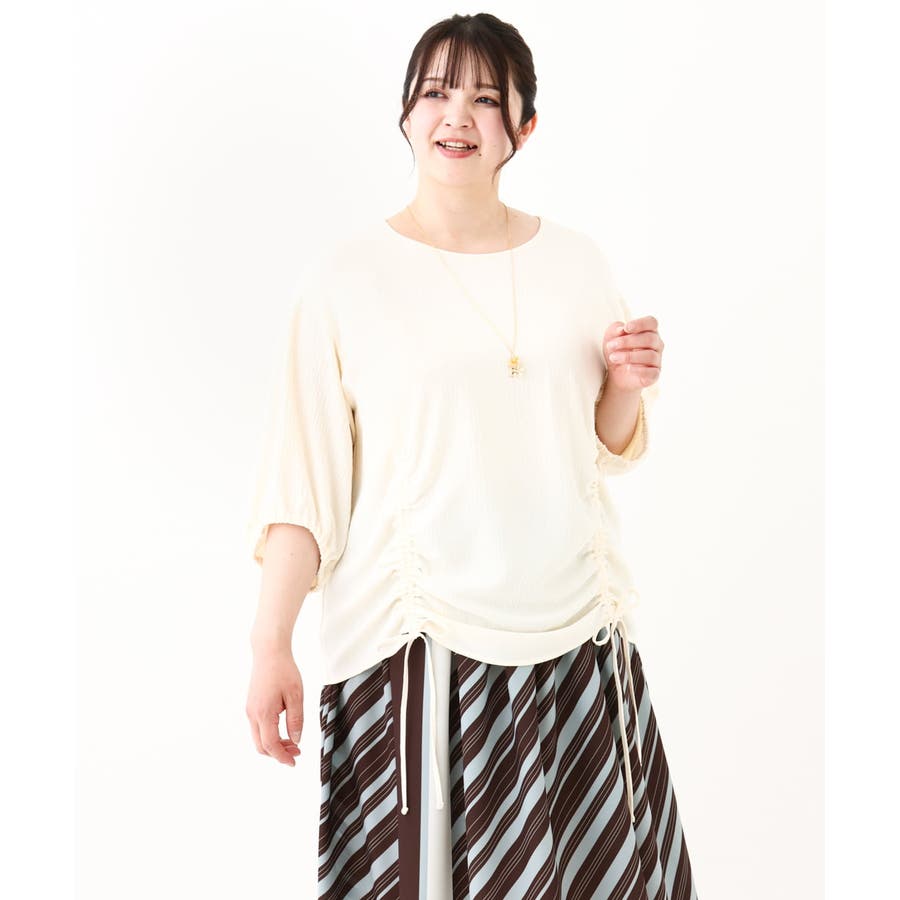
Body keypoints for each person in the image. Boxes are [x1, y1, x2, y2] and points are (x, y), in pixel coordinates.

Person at [245, 12, 699, 899]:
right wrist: (271, 646)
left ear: (523, 126)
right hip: (419, 648)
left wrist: (626, 381)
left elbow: (601, 443)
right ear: (406, 112)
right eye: (436, 92)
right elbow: (303, 485)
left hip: (576, 647)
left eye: (487, 99)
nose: (457, 115)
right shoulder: (346, 277)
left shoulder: (575, 261)